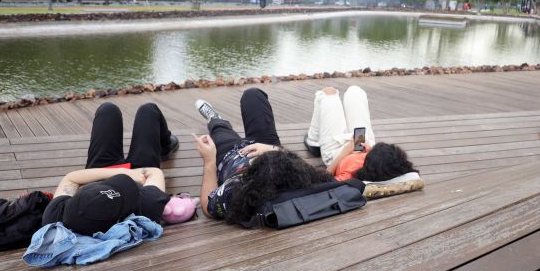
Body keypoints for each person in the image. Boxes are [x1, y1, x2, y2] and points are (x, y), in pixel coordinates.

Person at [193, 88, 334, 224]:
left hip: (229, 155)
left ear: (249, 177)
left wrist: (209, 160)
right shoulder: (297, 177)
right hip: (266, 145)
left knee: (219, 130)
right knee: (252, 95)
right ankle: (223, 124)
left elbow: (206, 206)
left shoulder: (236, 191)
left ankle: (215, 118)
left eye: (254, 162)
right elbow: (306, 168)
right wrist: (272, 149)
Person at [41, 102, 179, 235]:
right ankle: (166, 145)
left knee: (107, 110)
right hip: (140, 177)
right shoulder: (143, 210)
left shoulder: (56, 218)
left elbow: (70, 178)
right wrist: (128, 173)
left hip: (98, 175)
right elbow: (154, 173)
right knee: (148, 110)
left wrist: (122, 172)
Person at [303, 85, 416, 182]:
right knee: (355, 92)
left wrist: (346, 151)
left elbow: (325, 179)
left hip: (336, 151)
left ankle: (313, 141)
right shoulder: (384, 162)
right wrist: (369, 148)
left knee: (329, 95)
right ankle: (319, 139)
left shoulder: (351, 174)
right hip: (360, 142)